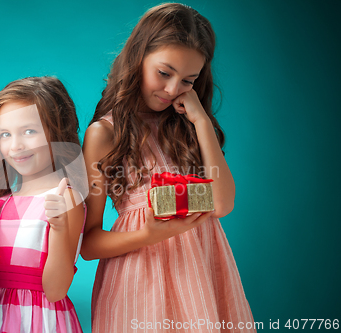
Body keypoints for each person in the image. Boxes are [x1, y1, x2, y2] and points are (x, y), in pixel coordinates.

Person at [81, 3, 256, 332]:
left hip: (202, 274)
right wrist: (147, 234)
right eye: (164, 73)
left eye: (189, 80)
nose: (174, 89)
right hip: (140, 280)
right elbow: (88, 244)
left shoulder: (188, 126)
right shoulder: (104, 134)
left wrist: (201, 120)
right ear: (138, 58)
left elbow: (222, 203)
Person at [0, 77, 86, 333]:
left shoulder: (65, 199)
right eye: (5, 134)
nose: (16, 146)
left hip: (36, 324)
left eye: (29, 131)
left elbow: (56, 290)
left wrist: (58, 228)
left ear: (57, 132)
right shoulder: (0, 204)